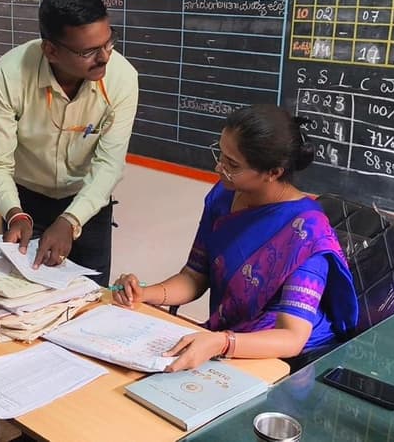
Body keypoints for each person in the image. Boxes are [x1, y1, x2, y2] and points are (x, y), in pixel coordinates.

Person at [112, 105, 358, 372]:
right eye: (221, 154)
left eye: (233, 165)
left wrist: (223, 343)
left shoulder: (306, 231)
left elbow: (292, 338)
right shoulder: (224, 195)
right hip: (223, 341)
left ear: (273, 172)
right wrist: (144, 293)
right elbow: (194, 276)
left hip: (284, 361)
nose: (219, 167)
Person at [0, 0, 139, 286]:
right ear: (51, 50)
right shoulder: (9, 75)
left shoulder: (122, 79)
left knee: (90, 296)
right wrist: (15, 214)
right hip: (25, 202)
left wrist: (70, 220)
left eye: (108, 42)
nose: (104, 57)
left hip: (88, 203)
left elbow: (109, 165)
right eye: (88, 51)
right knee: (20, 294)